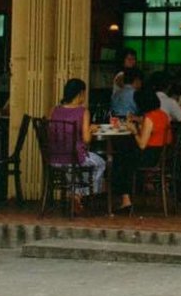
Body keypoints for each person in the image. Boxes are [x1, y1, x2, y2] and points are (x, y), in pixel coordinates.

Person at [44, 79, 105, 209]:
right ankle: (78, 195)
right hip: (75, 159)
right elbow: (87, 139)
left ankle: (74, 195)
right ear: (80, 93)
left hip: (54, 159)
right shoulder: (83, 111)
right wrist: (91, 129)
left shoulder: (53, 110)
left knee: (77, 169)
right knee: (101, 163)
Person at [111, 87, 171, 214]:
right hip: (159, 154)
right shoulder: (163, 115)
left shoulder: (149, 118)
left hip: (148, 157)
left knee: (120, 159)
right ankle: (130, 195)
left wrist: (134, 131)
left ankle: (126, 200)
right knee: (124, 154)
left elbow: (142, 144)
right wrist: (137, 119)